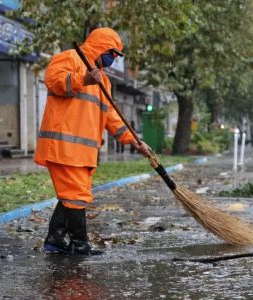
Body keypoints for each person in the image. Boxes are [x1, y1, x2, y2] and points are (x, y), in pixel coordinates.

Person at [34, 27, 150, 256]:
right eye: (112, 53)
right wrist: (83, 79)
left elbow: (111, 117)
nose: (113, 59)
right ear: (101, 47)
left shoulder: (103, 81)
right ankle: (79, 244)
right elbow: (54, 80)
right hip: (63, 147)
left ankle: (56, 238)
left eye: (116, 56)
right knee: (76, 196)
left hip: (83, 153)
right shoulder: (70, 58)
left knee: (73, 195)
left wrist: (135, 141)